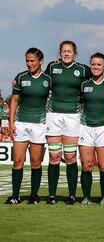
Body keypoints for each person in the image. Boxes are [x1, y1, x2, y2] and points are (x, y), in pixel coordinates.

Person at [44, 40, 90, 205]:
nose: (66, 54)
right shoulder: (52, 67)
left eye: (69, 51)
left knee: (70, 157)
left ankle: (71, 195)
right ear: (60, 53)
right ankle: (52, 195)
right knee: (54, 156)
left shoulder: (83, 69)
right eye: (63, 51)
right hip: (53, 115)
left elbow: (96, 77)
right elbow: (41, 79)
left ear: (75, 53)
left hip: (73, 116)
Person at [6, 48, 50, 205]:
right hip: (21, 123)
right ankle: (15, 196)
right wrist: (11, 122)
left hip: (39, 124)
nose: (29, 64)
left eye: (32, 61)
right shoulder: (21, 77)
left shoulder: (48, 79)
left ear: (40, 61)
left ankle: (34, 196)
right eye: (27, 61)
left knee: (35, 162)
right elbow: (14, 101)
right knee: (17, 161)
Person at [78, 53, 104, 206]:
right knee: (86, 165)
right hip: (86, 127)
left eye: (99, 64)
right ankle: (86, 197)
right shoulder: (83, 84)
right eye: (93, 64)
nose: (96, 67)